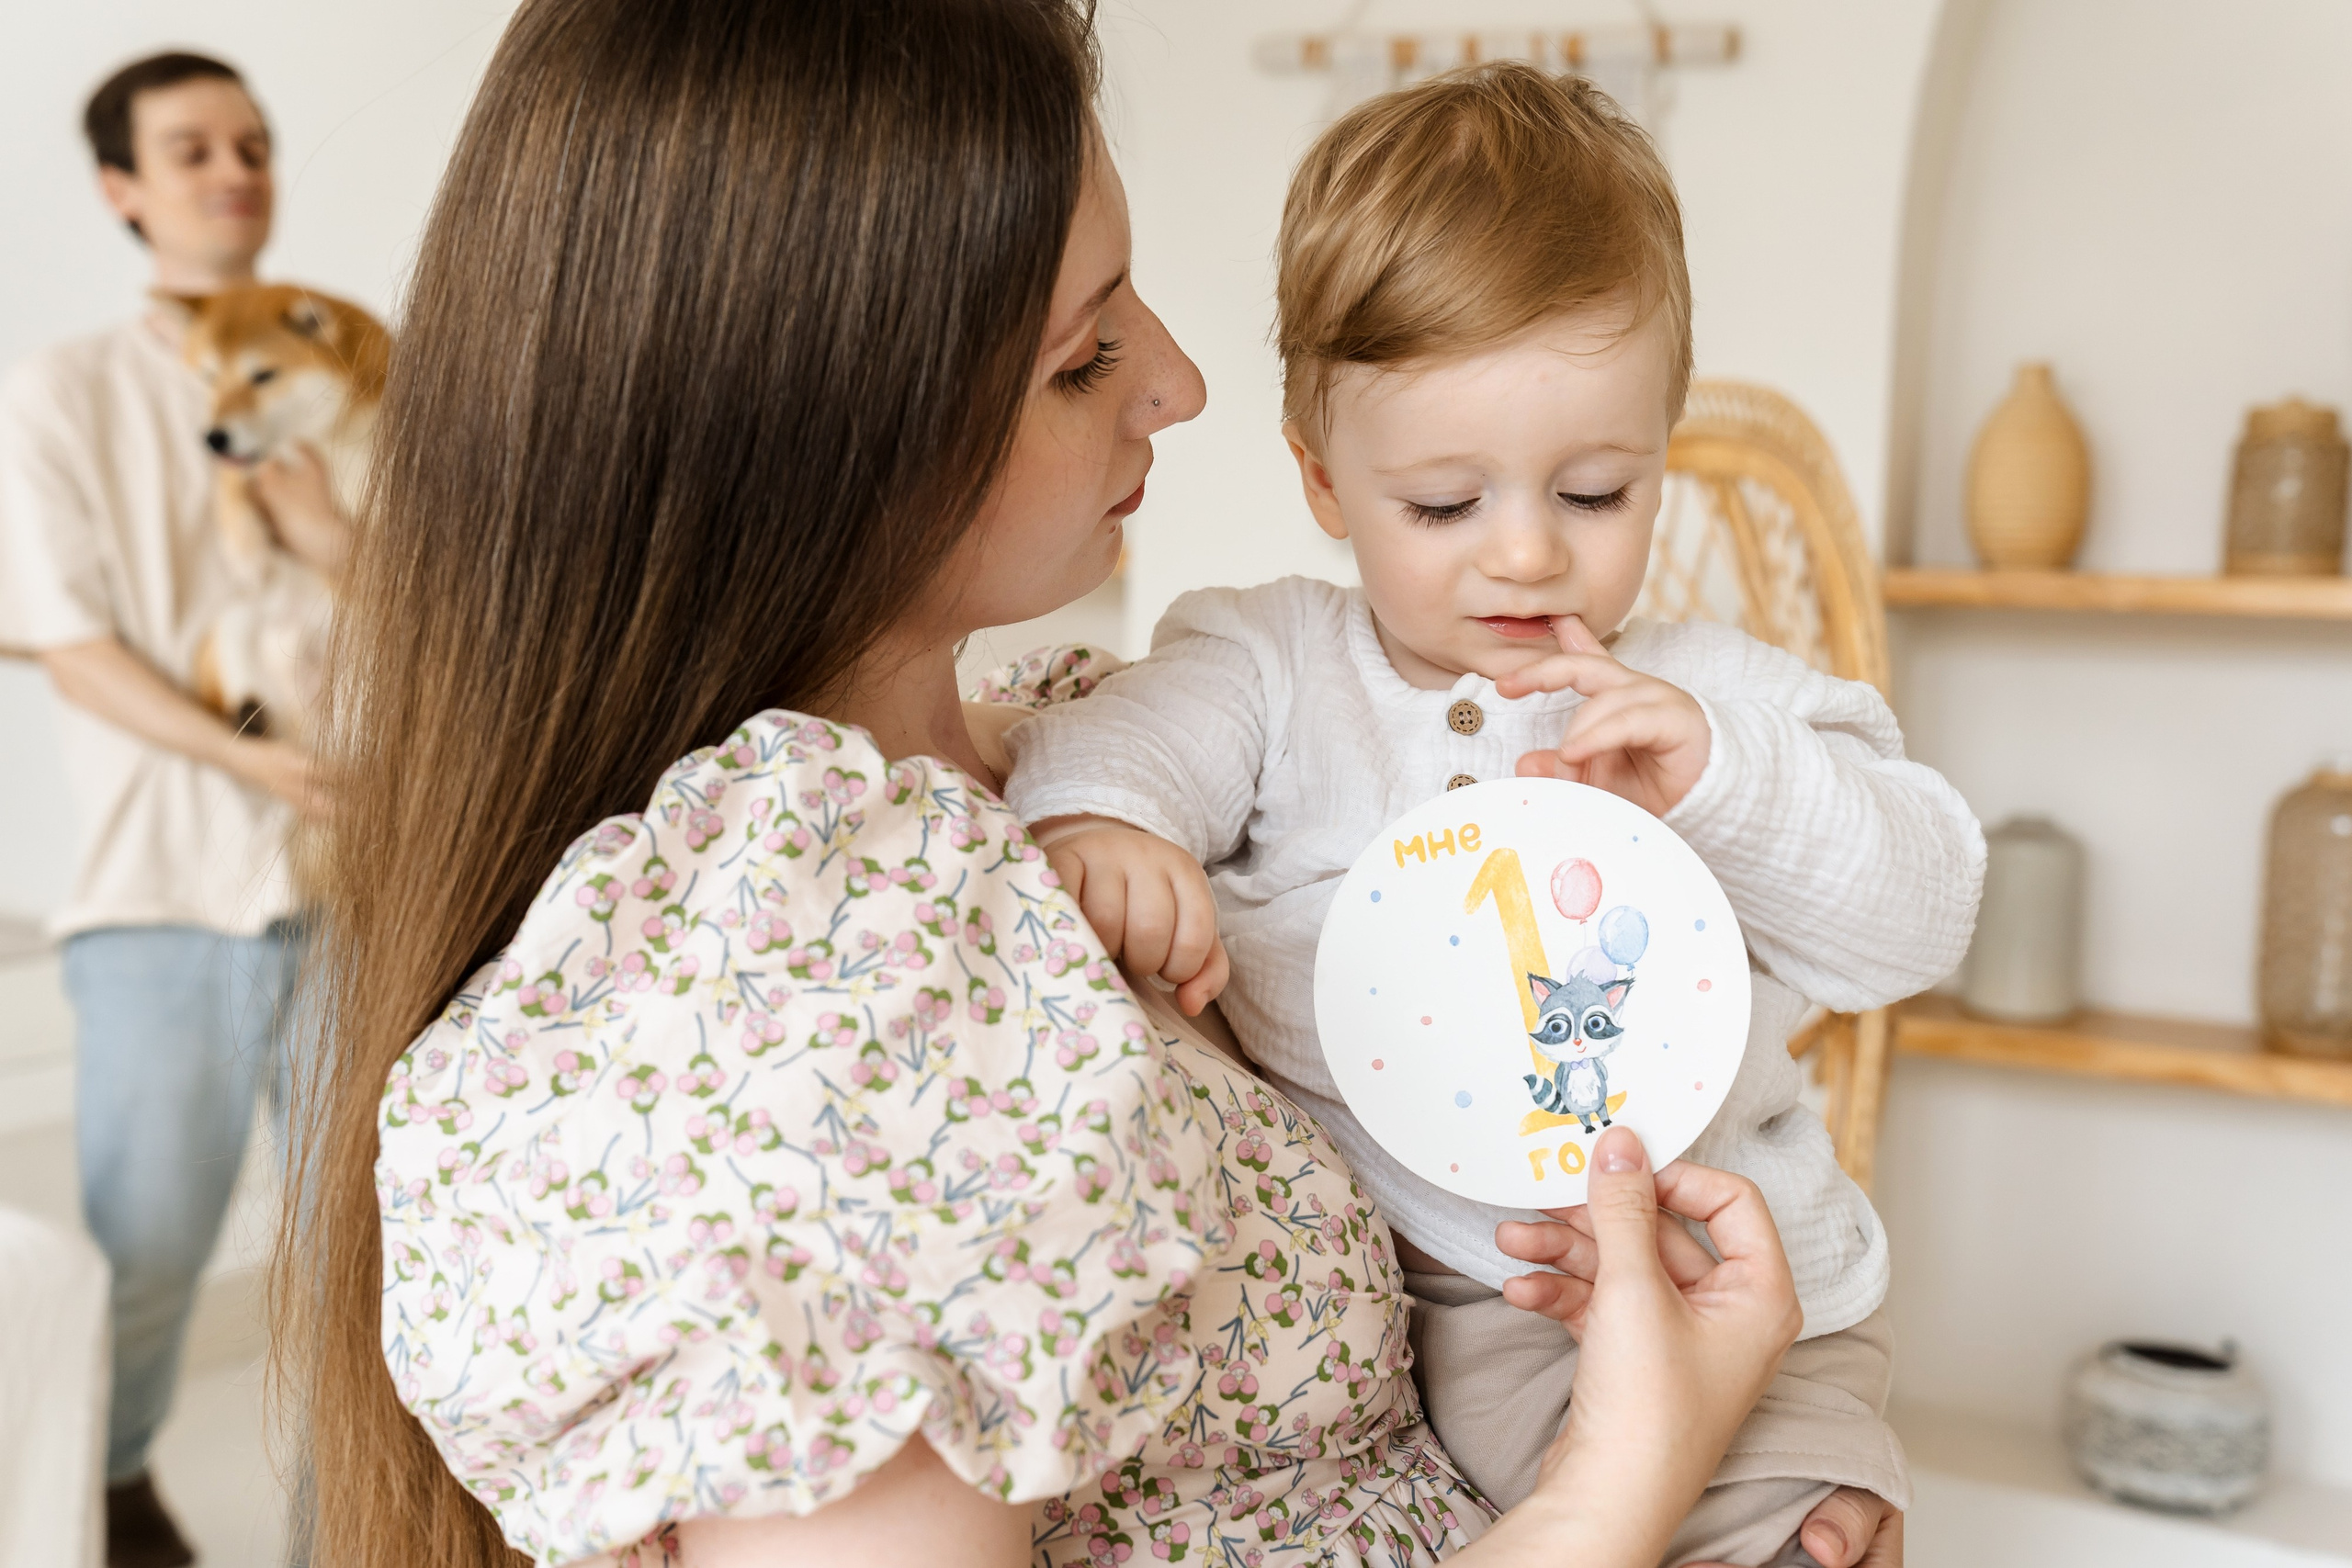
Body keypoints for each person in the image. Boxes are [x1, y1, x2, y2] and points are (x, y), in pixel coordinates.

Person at [284, 3, 1902, 1565]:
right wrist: (1622, 1485)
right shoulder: (807, 972)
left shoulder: (1090, 759)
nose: (1182, 382)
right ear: (824, 439)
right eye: (1085, 356)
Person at [1001, 63, 1984, 1565]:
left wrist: (1730, 777)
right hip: (1450, 1295)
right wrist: (1110, 831)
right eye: (1446, 507)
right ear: (1324, 481)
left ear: (1660, 453)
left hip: (1725, 1263)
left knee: (1802, 1533)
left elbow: (1922, 914)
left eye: (1593, 494)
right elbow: (1109, 749)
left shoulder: (1710, 695)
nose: (1525, 555)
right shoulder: (1270, 665)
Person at [0, 50, 347, 1568]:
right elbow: (67, 641)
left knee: (368, 1253)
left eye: (252, 143)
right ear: (121, 189)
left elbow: (440, 610)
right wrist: (252, 762)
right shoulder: (61, 394)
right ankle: (111, 1497)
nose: (235, 172)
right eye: (193, 148)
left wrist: (327, 534)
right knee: (142, 1258)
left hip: (357, 883)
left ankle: (354, 1525)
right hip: (162, 891)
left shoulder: (354, 374)